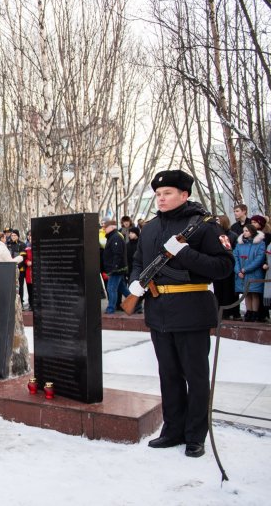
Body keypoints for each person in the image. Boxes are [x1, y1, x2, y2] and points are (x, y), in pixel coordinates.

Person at [128, 170, 233, 458]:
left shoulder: (203, 226)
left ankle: (195, 435)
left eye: (168, 193)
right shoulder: (149, 228)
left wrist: (184, 253)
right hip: (159, 311)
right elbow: (138, 261)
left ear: (184, 195)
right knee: (169, 375)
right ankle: (173, 429)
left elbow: (224, 267)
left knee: (195, 377)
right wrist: (135, 282)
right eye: (158, 194)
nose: (161, 198)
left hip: (191, 311)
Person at [233, 224, 266, 322]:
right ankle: (249, 312)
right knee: (246, 293)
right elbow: (235, 257)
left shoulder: (260, 244)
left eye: (246, 230)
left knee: (254, 293)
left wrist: (245, 269)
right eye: (243, 230)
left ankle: (255, 313)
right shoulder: (239, 244)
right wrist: (238, 270)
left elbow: (259, 258)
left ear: (252, 231)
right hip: (242, 274)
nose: (244, 232)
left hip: (254, 273)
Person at [102, 220, 130, 314]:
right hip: (117, 268)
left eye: (106, 227)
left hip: (116, 269)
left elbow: (117, 254)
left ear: (112, 227)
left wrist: (114, 268)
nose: (104, 228)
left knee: (111, 288)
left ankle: (110, 309)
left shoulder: (116, 237)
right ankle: (137, 304)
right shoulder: (113, 237)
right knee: (122, 288)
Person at [8, 230, 27, 305]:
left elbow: (23, 257)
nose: (13, 237)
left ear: (18, 236)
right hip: (10, 269)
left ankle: (21, 303)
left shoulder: (22, 244)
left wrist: (16, 266)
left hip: (20, 269)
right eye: (12, 235)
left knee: (20, 287)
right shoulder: (8, 244)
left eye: (15, 235)